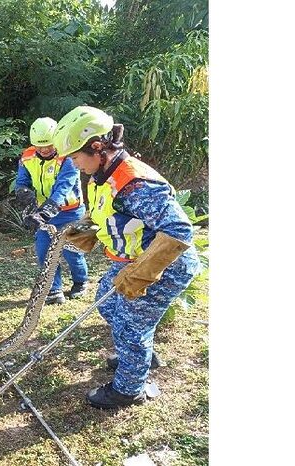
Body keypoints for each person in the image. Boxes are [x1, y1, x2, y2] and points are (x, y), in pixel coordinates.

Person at [52, 106, 201, 409]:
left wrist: (141, 274)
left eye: (76, 157)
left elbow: (178, 230)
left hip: (165, 266)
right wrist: (89, 230)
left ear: (97, 147)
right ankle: (139, 355)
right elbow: (113, 215)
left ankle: (129, 389)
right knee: (107, 303)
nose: (75, 164)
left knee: (131, 325)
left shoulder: (135, 183)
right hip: (131, 261)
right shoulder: (103, 175)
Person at [15, 117, 89, 304]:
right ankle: (54, 289)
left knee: (71, 251)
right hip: (43, 213)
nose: (44, 150)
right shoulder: (27, 157)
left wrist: (45, 212)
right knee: (43, 250)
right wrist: (25, 196)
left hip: (70, 211)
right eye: (40, 147)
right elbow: (22, 182)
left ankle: (81, 282)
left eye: (48, 145)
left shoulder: (68, 158)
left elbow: (63, 189)